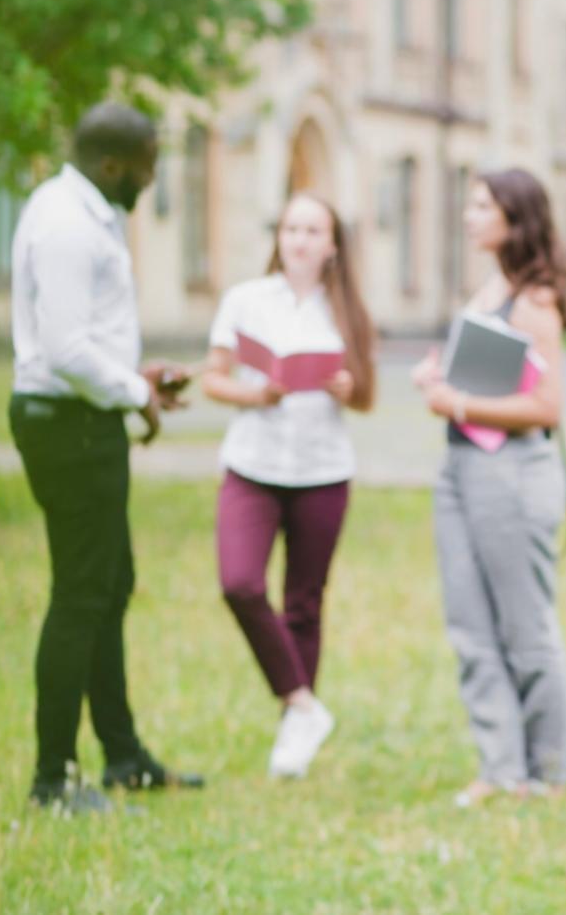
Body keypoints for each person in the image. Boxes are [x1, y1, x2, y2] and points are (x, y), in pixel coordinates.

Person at [9, 102, 205, 814]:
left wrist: (132, 379)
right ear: (113, 163)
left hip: (88, 421)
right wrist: (134, 393)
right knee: (81, 596)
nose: (153, 179)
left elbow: (83, 337)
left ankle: (122, 756)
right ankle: (53, 779)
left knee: (110, 585)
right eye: (150, 164)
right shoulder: (66, 223)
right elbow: (63, 351)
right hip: (69, 428)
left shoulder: (85, 213)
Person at [413, 169, 566, 806]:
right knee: (470, 626)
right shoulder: (491, 286)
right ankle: (500, 767)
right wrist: (442, 377)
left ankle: (548, 774)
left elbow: (547, 406)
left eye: (483, 206)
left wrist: (454, 402)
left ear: (516, 217)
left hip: (512, 474)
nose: (469, 215)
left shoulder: (535, 300)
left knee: (525, 628)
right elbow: (488, 378)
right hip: (460, 471)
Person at [201, 194, 376, 779]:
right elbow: (213, 379)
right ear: (278, 236)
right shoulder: (246, 300)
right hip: (253, 465)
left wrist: (346, 387)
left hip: (323, 471)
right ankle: (301, 704)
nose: (299, 239)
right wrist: (258, 393)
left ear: (332, 245)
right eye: (291, 227)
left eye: (313, 230)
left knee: (304, 603)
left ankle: (293, 741)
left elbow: (368, 397)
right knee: (240, 583)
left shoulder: (347, 310)